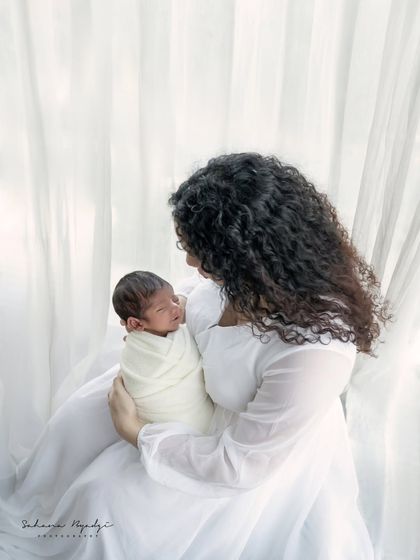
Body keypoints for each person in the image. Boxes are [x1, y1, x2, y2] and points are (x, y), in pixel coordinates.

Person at [0, 153, 391, 559]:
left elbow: (239, 463)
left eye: (200, 252)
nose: (190, 262)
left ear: (252, 255)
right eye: (188, 247)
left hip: (237, 444)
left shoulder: (314, 352)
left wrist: (137, 432)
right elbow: (196, 303)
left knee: (106, 502)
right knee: (76, 424)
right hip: (184, 387)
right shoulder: (244, 276)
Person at [112, 270, 214, 433]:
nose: (175, 308)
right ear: (137, 324)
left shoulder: (183, 333)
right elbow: (137, 386)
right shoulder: (136, 353)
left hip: (202, 415)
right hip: (166, 427)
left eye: (174, 299)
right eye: (161, 309)